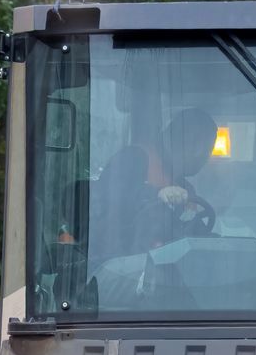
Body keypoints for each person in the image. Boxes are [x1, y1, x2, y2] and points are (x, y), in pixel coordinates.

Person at [94, 107, 220, 256]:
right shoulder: (133, 158)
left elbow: (187, 231)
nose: (205, 156)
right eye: (206, 148)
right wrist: (156, 194)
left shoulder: (187, 190)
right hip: (116, 264)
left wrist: (215, 243)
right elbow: (113, 201)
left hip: (165, 269)